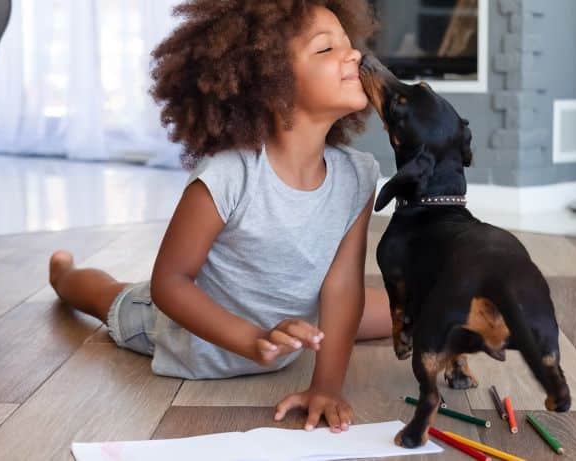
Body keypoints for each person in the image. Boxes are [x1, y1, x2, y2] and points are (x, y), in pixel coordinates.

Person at [48, 0, 391, 434]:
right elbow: (169, 283)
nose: (354, 54)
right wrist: (252, 340)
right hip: (187, 340)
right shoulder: (230, 174)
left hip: (287, 333)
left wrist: (326, 387)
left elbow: (342, 288)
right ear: (271, 82)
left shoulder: (357, 175)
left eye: (348, 43)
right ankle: (63, 273)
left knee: (399, 310)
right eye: (326, 48)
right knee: (109, 297)